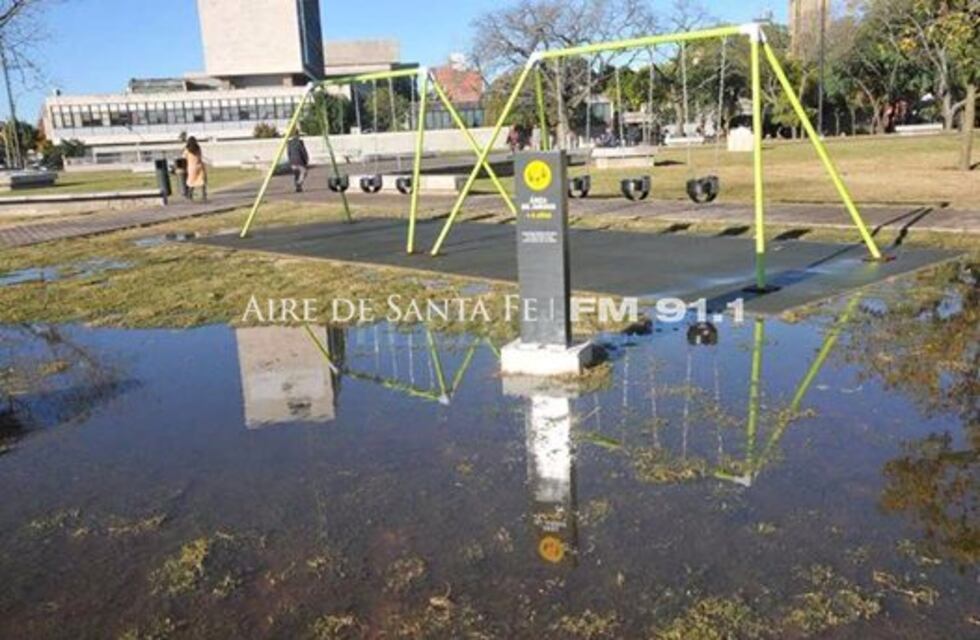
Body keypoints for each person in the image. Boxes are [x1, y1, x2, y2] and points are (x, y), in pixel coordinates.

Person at [182, 136, 207, 202]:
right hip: (199, 166)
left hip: (191, 167)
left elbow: (184, 157)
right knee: (201, 181)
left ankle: (189, 195)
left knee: (191, 182)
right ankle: (204, 195)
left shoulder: (187, 150)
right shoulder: (198, 148)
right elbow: (200, 156)